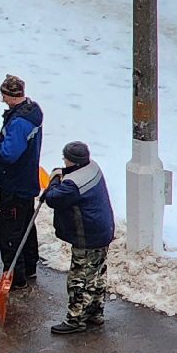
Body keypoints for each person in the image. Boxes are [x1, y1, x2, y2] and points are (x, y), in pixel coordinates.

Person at [42, 141, 115, 335]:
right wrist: (62, 174)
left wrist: (55, 179)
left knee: (79, 277)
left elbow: (53, 198)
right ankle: (95, 312)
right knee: (97, 273)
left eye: (65, 158)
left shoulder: (73, 185)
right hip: (103, 230)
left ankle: (75, 319)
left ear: (72, 160)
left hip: (87, 235)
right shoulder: (92, 168)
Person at [0, 74, 44, 290]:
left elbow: (9, 154)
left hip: (14, 183)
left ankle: (14, 276)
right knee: (26, 226)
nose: (2, 100)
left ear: (10, 95)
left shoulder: (19, 122)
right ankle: (29, 266)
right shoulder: (32, 111)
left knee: (10, 231)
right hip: (27, 180)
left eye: (4, 95)